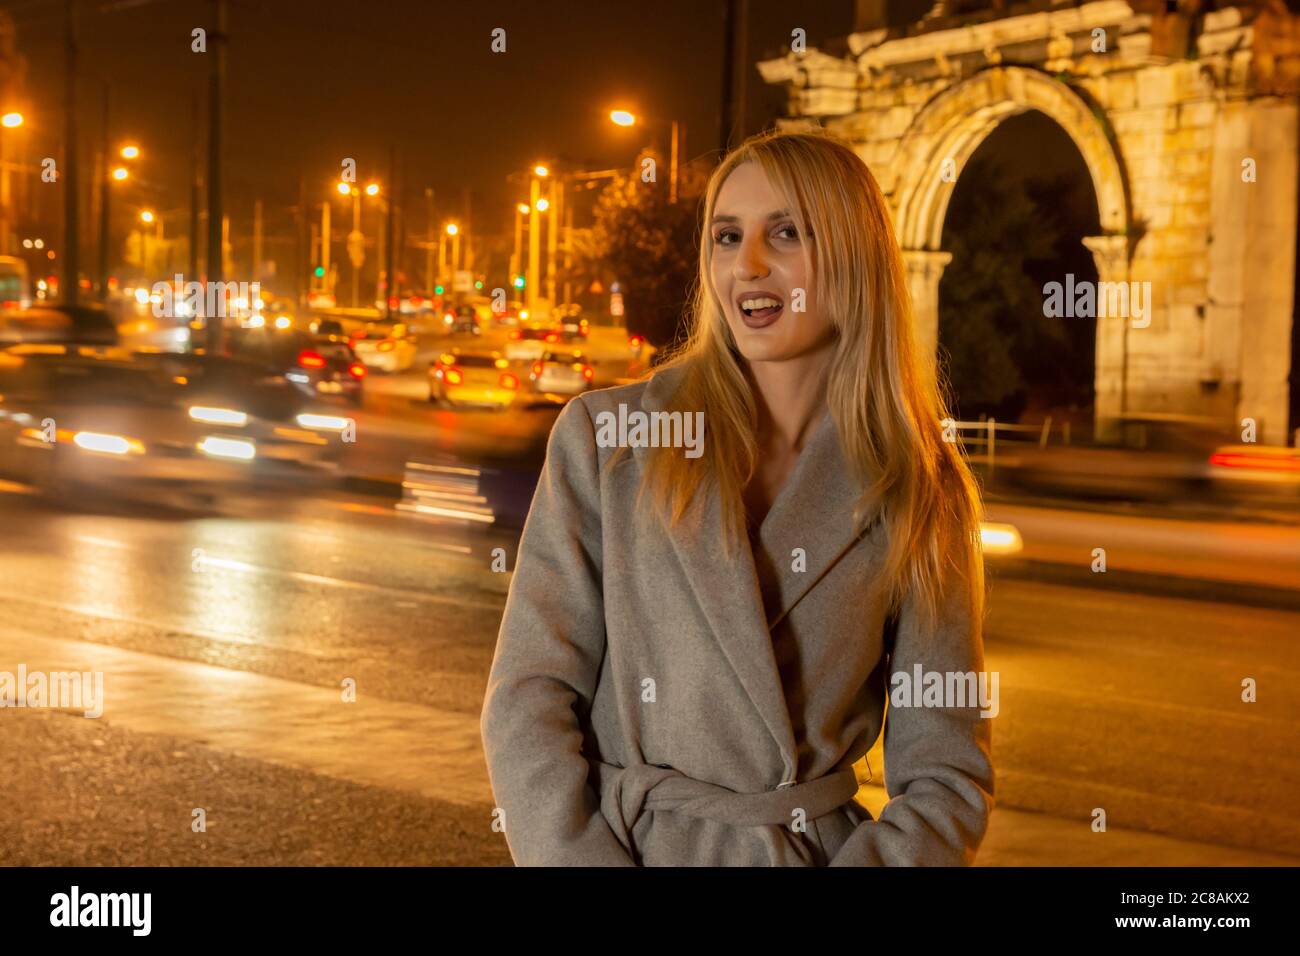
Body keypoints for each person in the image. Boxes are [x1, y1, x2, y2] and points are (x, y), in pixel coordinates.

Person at [480, 127, 993, 866]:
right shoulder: (609, 439)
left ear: (853, 255)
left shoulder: (919, 483)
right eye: (727, 236)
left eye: (785, 232)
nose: (746, 265)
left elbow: (948, 772)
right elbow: (527, 700)